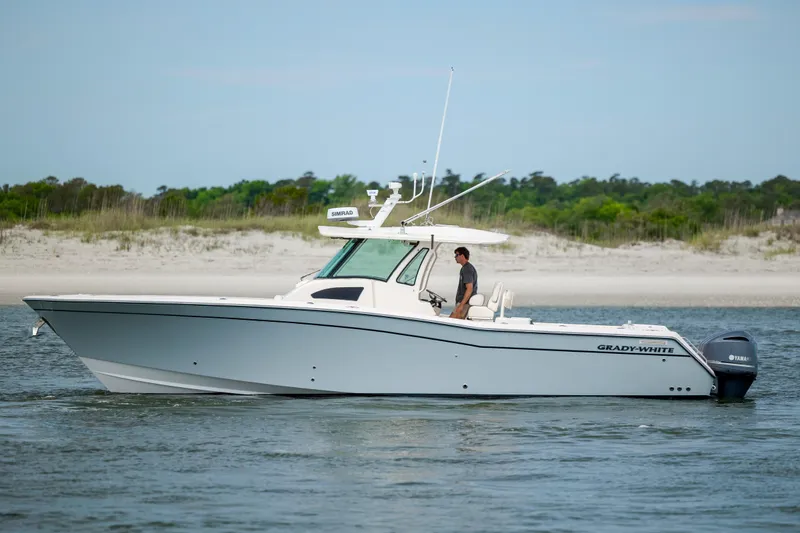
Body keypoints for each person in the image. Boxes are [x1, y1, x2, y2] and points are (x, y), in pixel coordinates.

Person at [450, 246, 478, 319]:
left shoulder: (467, 269)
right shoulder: (465, 268)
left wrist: (461, 305)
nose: (455, 257)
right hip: (464, 302)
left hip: (465, 303)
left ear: (462, 256)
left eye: (456, 255)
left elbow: (469, 288)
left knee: (451, 320)